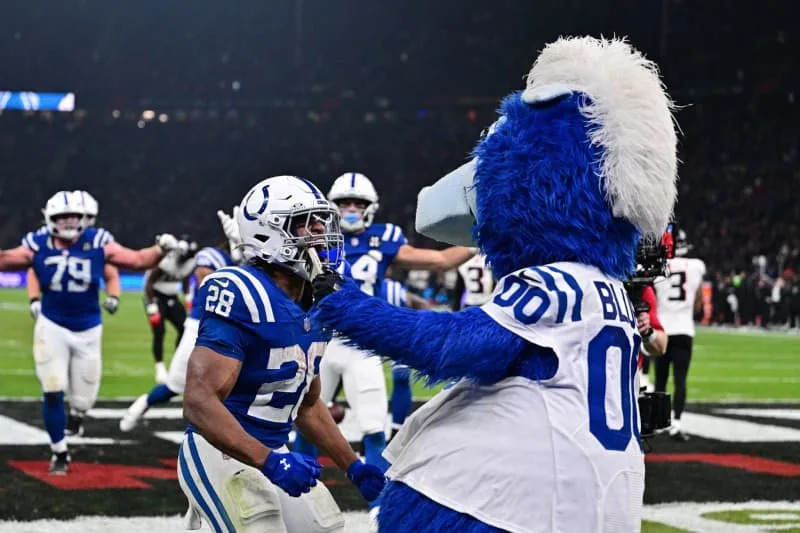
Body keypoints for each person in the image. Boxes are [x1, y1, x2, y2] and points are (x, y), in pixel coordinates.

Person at [177, 176, 384, 533]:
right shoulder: (242, 294)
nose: (320, 231)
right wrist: (269, 462)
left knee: (326, 528)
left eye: (321, 221)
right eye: (305, 223)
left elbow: (306, 403)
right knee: (261, 526)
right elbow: (199, 402)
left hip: (273, 451)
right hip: (217, 451)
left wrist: (354, 465)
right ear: (267, 233)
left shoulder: (319, 300)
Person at [293, 172, 474, 492]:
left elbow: (442, 260)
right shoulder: (314, 236)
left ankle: (380, 506)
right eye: (344, 203)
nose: (350, 208)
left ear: (371, 208)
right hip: (318, 342)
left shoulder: (383, 237)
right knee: (305, 427)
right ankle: (296, 496)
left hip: (360, 342)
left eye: (357, 203)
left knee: (374, 427)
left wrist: (485, 236)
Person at [0, 190, 178, 474]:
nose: (69, 222)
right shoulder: (37, 243)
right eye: (62, 217)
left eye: (74, 216)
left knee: (84, 400)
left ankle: (77, 415)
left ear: (86, 217)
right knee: (53, 389)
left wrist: (160, 248)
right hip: (52, 325)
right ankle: (59, 451)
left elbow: (136, 261)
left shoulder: (98, 242)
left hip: (88, 329)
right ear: (50, 218)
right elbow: (6, 259)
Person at [120, 224, 238, 432]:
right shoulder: (211, 256)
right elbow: (205, 278)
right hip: (202, 325)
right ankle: (142, 404)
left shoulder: (263, 265)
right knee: (175, 384)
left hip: (236, 330)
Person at [654, 228, 706, 440]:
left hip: (663, 329)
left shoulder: (659, 266)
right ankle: (676, 424)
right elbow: (699, 301)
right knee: (680, 378)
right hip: (684, 329)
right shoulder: (696, 266)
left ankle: (657, 423)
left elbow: (652, 298)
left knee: (660, 379)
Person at [143, 237, 198, 383]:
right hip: (156, 295)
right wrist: (151, 305)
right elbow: (149, 282)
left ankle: (177, 361)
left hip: (172, 296)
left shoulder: (190, 262)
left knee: (185, 328)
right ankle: (159, 367)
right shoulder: (167, 260)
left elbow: (185, 278)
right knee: (159, 331)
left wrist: (187, 297)